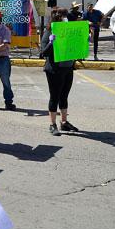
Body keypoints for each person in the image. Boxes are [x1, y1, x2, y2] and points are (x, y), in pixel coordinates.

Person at [41, 7, 79, 136]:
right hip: (54, 70)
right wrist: (52, 42)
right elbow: (43, 53)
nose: (65, 18)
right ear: (57, 17)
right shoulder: (49, 31)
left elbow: (74, 47)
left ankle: (64, 122)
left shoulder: (68, 31)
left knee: (64, 96)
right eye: (63, 16)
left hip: (67, 67)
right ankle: (52, 124)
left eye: (65, 15)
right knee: (55, 97)